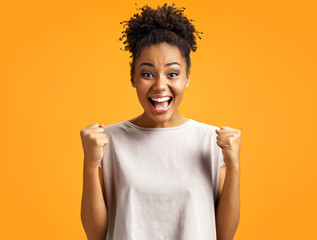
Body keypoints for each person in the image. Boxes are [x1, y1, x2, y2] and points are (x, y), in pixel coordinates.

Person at [80, 3, 241, 240]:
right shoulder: (108, 141)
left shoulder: (212, 141)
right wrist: (90, 163)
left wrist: (234, 164)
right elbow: (95, 235)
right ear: (133, 77)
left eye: (172, 73)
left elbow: (225, 235)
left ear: (187, 77)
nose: (160, 85)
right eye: (147, 74)